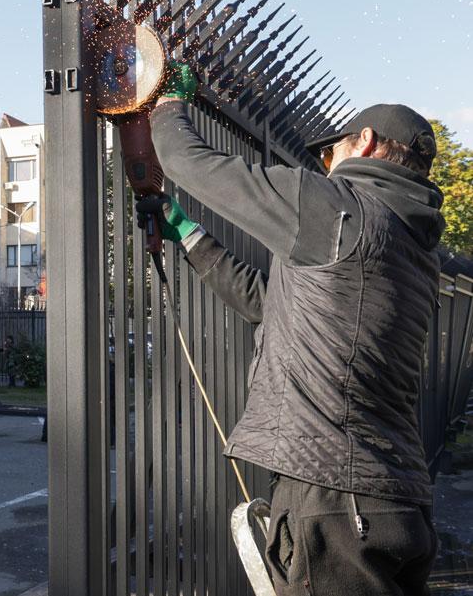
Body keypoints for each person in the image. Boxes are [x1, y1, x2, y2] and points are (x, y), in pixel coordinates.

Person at [144, 68, 445, 595]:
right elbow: (275, 305)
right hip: (400, 503)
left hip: (337, 505)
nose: (323, 166)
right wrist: (191, 237)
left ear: (366, 143)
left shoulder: (340, 207)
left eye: (332, 153)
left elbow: (187, 162)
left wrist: (169, 101)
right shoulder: (414, 247)